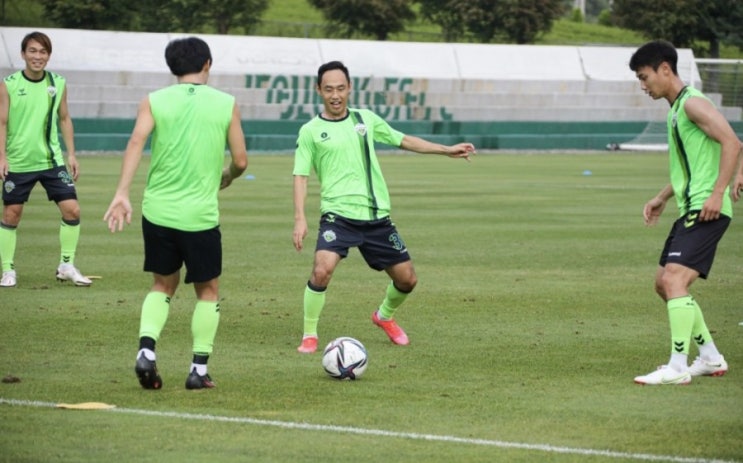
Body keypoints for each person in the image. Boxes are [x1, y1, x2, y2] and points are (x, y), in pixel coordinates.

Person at [292, 60, 475, 353]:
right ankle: (309, 335)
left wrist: (445, 150)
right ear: (318, 91)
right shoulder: (310, 131)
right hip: (337, 216)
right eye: (329, 89)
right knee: (321, 270)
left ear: (350, 88)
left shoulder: (365, 119)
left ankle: (384, 316)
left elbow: (402, 140)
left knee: (407, 279)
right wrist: (300, 218)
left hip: (377, 218)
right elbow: (300, 176)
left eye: (341, 88)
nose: (335, 95)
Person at [103, 37, 248, 390]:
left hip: (158, 212)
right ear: (208, 65)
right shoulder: (226, 103)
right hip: (199, 215)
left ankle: (147, 352)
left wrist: (122, 192)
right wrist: (227, 176)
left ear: (172, 67)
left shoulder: (153, 101)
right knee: (208, 291)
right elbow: (241, 161)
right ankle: (198, 370)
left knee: (162, 284)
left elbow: (136, 141)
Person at [628, 40, 741, 385]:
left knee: (674, 279)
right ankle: (708, 357)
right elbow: (693, 166)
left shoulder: (692, 103)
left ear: (665, 68)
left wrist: (719, 191)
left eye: (645, 77)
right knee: (664, 284)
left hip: (707, 208)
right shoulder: (676, 109)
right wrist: (663, 196)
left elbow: (733, 142)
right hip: (692, 205)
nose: (644, 86)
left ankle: (677, 367)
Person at [0, 31, 91, 288]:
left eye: (42, 52)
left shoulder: (58, 83)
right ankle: (8, 271)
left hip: (52, 161)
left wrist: (71, 154)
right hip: (18, 162)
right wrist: (2, 157)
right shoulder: (8, 84)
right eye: (32, 51)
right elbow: (2, 122)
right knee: (11, 215)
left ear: (48, 56)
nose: (37, 56)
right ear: (23, 54)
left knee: (72, 209)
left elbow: (64, 118)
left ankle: (66, 265)